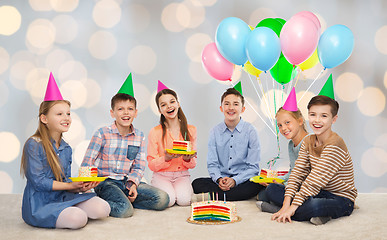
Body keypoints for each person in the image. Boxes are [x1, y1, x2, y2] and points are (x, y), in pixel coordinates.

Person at [21, 73, 110, 229]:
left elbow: (65, 179)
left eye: (68, 113)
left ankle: (68, 210)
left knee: (103, 208)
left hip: (64, 196)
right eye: (59, 114)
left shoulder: (66, 148)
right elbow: (39, 182)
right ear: (44, 119)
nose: (66, 117)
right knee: (78, 219)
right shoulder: (33, 144)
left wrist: (81, 186)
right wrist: (70, 187)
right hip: (41, 204)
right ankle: (68, 213)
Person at [81, 75, 169, 218]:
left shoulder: (139, 136)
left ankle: (123, 199)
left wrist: (133, 184)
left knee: (162, 199)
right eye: (121, 109)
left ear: (135, 112)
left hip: (126, 181)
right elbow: (87, 162)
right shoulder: (102, 133)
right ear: (112, 113)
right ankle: (100, 202)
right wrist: (86, 187)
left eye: (130, 109)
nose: (126, 112)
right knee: (125, 211)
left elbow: (139, 166)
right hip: (105, 182)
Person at [268, 95, 357, 225]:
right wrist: (286, 204)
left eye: (324, 116)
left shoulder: (335, 144)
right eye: (313, 115)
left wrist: (292, 207)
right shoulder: (308, 141)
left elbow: (315, 179)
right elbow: (297, 173)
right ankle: (289, 211)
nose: (317, 120)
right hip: (319, 192)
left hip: (340, 197)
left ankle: (283, 211)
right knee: (272, 189)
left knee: (314, 206)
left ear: (334, 119)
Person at [192, 87, 263, 201]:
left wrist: (235, 181)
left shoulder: (251, 131)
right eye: (227, 104)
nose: (231, 108)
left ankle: (213, 196)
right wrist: (220, 179)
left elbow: (253, 168)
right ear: (221, 108)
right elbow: (212, 164)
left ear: (243, 109)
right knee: (196, 183)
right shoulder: (215, 132)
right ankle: (226, 195)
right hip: (222, 179)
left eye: (235, 104)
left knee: (257, 185)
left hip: (242, 180)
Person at [147, 88, 197, 207]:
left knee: (184, 201)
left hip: (182, 175)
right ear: (160, 110)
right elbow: (151, 164)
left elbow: (193, 164)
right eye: (163, 105)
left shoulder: (191, 130)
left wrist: (187, 159)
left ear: (178, 104)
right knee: (168, 201)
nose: (169, 106)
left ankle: (186, 192)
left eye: (172, 102)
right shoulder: (155, 132)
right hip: (162, 176)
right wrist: (166, 158)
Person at [256, 105, 309, 212]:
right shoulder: (291, 145)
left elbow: (308, 176)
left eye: (287, 122)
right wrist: (275, 180)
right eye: (280, 125)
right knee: (263, 194)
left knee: (272, 191)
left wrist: (284, 185)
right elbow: (292, 171)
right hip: (295, 185)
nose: (283, 128)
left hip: (307, 189)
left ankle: (278, 209)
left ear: (300, 121)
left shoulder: (309, 142)